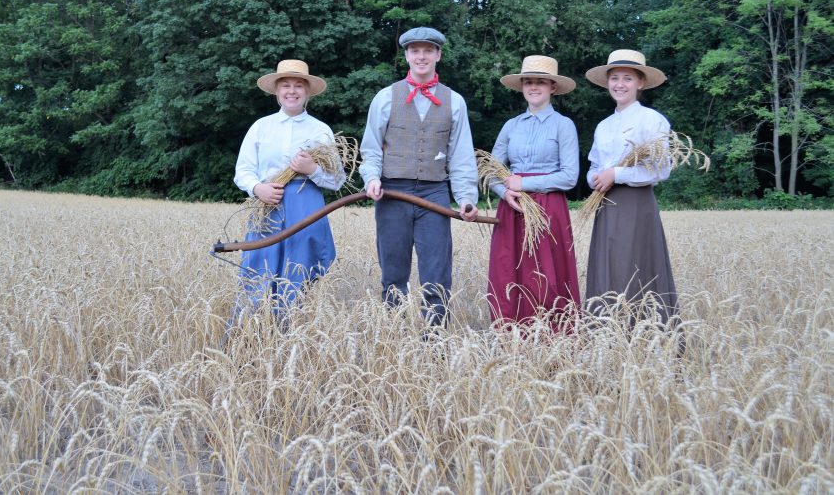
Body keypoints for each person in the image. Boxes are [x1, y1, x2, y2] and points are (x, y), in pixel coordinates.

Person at [359, 27, 478, 328]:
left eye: (428, 50)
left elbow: (462, 157)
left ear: (438, 55)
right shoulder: (385, 98)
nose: (421, 56)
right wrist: (372, 178)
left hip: (434, 193)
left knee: (437, 273)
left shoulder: (456, 102)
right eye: (415, 50)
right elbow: (371, 149)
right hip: (392, 193)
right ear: (407, 55)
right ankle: (394, 340)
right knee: (393, 273)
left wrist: (466, 198)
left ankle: (434, 344)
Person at [232, 59, 345, 322]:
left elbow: (337, 179)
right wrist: (258, 188)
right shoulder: (261, 127)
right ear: (276, 91)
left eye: (298, 86)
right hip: (267, 206)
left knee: (299, 273)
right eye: (286, 85)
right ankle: (249, 333)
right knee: (259, 267)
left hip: (306, 208)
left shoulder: (320, 130)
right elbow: (243, 171)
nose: (292, 91)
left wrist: (312, 169)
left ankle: (294, 334)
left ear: (307, 92)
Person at [487, 55, 581, 333]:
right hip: (512, 208)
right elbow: (491, 170)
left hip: (548, 208)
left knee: (548, 274)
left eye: (540, 81)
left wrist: (523, 185)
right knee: (508, 269)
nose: (534, 86)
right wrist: (505, 192)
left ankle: (553, 336)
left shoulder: (563, 125)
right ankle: (510, 334)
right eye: (529, 81)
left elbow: (569, 177)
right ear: (522, 87)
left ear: (552, 86)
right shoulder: (511, 125)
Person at [583, 49, 678, 325]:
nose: (619, 84)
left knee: (635, 267)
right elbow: (593, 166)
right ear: (607, 82)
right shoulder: (603, 126)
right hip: (605, 205)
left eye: (627, 78)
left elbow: (662, 168)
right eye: (614, 78)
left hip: (637, 206)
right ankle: (606, 336)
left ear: (641, 83)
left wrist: (617, 173)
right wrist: (597, 179)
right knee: (607, 267)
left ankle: (646, 334)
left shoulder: (652, 120)